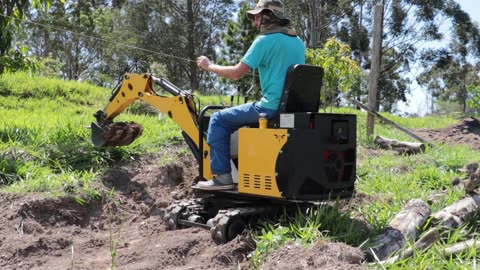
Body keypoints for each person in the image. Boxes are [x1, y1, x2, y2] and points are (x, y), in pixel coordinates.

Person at [195, 0, 305, 190]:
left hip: (269, 107)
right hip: (293, 109)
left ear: (268, 17)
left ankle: (222, 177)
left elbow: (237, 73)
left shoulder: (264, 41)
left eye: (256, 17)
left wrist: (208, 66)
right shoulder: (298, 42)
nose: (255, 22)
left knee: (218, 120)